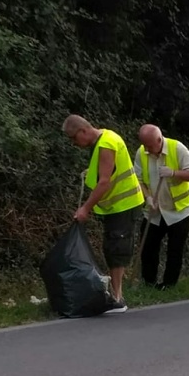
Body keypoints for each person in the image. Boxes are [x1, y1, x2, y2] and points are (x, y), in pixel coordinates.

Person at [63, 114, 145, 313]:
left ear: (83, 131)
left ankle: (118, 298)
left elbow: (105, 181)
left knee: (116, 248)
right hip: (117, 206)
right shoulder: (105, 138)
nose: (74, 143)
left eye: (74, 138)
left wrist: (85, 208)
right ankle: (116, 294)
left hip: (124, 205)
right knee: (111, 246)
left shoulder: (106, 144)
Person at [133, 124, 189, 289]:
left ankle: (169, 284)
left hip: (178, 211)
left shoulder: (177, 148)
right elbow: (138, 179)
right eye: (144, 145)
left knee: (175, 250)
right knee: (148, 247)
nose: (147, 149)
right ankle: (149, 282)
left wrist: (173, 173)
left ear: (159, 140)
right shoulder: (142, 152)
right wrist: (148, 197)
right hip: (154, 210)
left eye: (149, 145)